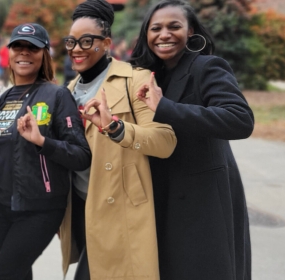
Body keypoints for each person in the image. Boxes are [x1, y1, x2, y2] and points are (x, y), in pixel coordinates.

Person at [129, 1, 254, 279]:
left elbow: (240, 119)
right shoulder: (149, 76)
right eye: (156, 28)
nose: (164, 35)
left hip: (203, 201)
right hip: (160, 196)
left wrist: (166, 108)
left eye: (175, 26)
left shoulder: (207, 67)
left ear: (191, 31)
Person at [59, 0, 178, 279]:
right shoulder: (67, 90)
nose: (76, 49)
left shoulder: (134, 80)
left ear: (107, 43)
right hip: (79, 202)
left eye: (87, 41)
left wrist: (116, 128)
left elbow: (165, 141)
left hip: (120, 205)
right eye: (71, 42)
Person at [0, 22, 92, 280]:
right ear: (8, 53)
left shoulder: (57, 95)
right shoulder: (5, 97)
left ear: (44, 54)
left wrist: (43, 141)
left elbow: (81, 155)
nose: (24, 52)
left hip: (39, 209)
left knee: (3, 274)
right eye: (18, 46)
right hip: (0, 207)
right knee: (19, 274)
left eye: (32, 48)